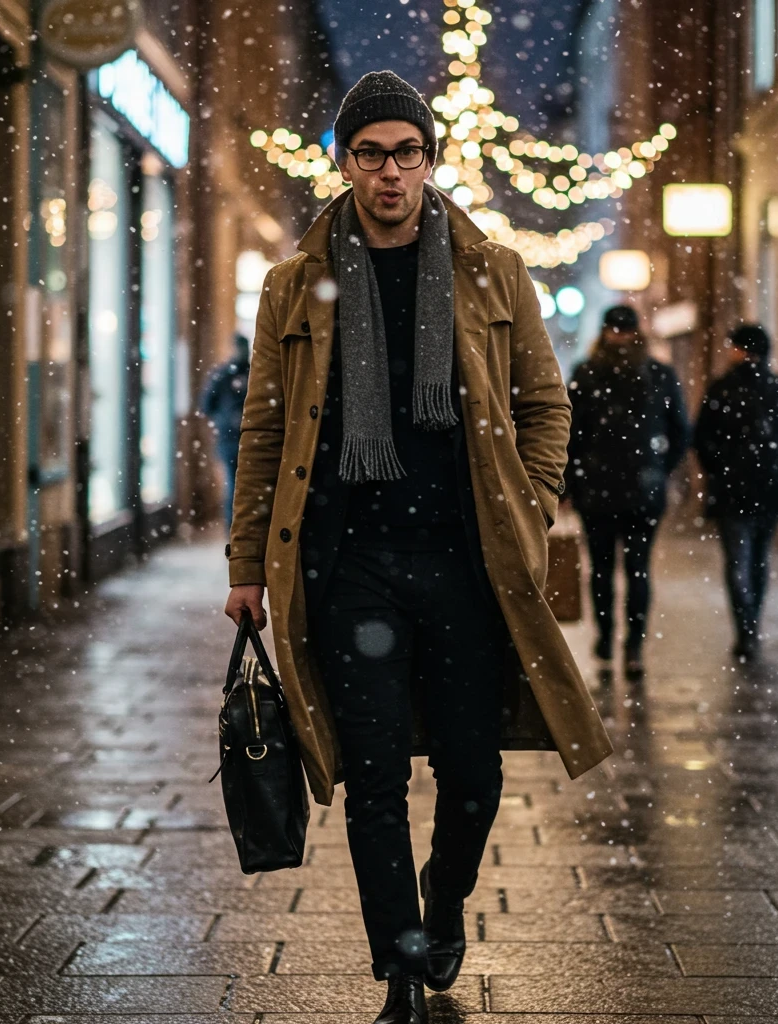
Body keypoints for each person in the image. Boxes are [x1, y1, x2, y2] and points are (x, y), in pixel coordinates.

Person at [223, 70, 612, 1024]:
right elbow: (266, 432)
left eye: (406, 152)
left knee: (474, 772)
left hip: (470, 564)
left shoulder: (493, 270)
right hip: (350, 566)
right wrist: (244, 566)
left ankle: (443, 911)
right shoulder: (293, 286)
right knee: (377, 776)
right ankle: (401, 962)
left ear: (430, 160)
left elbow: (544, 405)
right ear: (345, 163)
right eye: (370, 153)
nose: (390, 172)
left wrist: (531, 500)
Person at [564, 305, 689, 680]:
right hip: (641, 489)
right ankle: (632, 647)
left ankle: (606, 640)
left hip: (597, 489)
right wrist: (658, 469)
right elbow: (681, 432)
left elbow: (569, 434)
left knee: (602, 570)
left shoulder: (586, 374)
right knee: (637, 570)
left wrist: (570, 481)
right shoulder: (658, 375)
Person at [693, 323, 778, 661]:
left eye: (733, 346)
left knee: (737, 561)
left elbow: (701, 438)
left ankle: (745, 629)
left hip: (733, 491)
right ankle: (752, 624)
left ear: (743, 350)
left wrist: (719, 470)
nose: (729, 351)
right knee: (758, 560)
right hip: (769, 490)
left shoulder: (721, 390)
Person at [199, 332, 251, 528]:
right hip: (232, 440)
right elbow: (206, 406)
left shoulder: (226, 375)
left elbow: (206, 406)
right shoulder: (224, 376)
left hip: (241, 439)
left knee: (239, 485)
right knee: (236, 485)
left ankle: (238, 526)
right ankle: (236, 526)